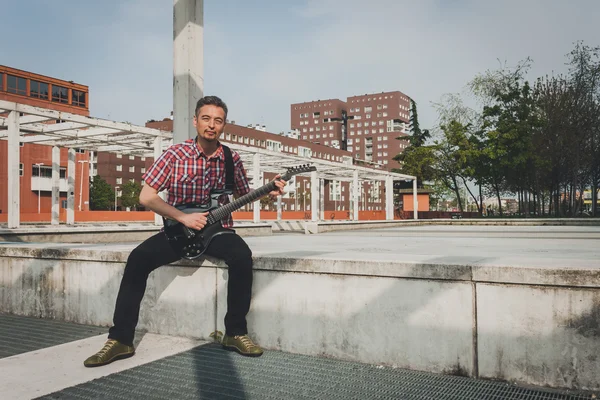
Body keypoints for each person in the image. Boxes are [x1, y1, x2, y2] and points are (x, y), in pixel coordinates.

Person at [84, 96, 285, 367]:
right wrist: (183, 218)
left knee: (241, 257)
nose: (211, 125)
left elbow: (242, 195)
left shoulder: (231, 158)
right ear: (195, 121)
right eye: (206, 119)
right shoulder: (175, 154)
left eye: (218, 120)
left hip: (219, 230)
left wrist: (269, 192)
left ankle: (235, 333)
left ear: (223, 125)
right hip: (180, 229)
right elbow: (147, 197)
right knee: (138, 259)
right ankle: (120, 339)